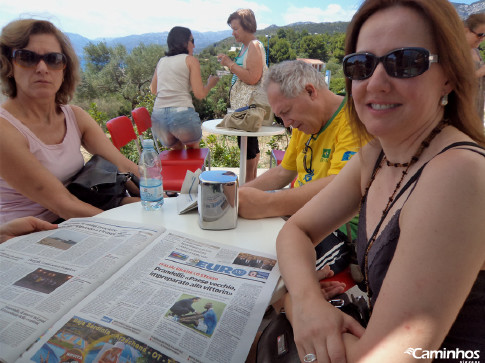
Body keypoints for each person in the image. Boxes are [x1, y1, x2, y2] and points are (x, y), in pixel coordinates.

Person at [276, 0, 485, 362]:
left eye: (404, 62)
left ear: (449, 75)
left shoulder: (458, 174)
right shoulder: (377, 156)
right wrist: (310, 301)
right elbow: (295, 231)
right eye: (361, 65)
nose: (375, 82)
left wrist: (293, 307)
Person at [0, 19, 140, 225]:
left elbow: (121, 164)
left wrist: (160, 193)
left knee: (146, 207)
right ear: (9, 65)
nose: (42, 68)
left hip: (77, 209)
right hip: (31, 232)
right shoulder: (5, 129)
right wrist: (130, 228)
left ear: (64, 68)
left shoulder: (74, 115)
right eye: (27, 58)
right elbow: (62, 204)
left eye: (53, 59)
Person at [239, 60, 361, 273]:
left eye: (286, 111)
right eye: (281, 116)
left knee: (275, 274)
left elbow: (340, 187)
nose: (286, 123)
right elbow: (284, 171)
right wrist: (239, 193)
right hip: (300, 218)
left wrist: (268, 203)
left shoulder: (353, 119)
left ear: (310, 91)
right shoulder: (303, 123)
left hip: (338, 226)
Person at [150, 26, 219, 150]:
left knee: (177, 154)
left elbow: (153, 90)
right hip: (181, 115)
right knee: (193, 152)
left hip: (158, 118)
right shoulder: (190, 60)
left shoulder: (161, 61)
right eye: (192, 41)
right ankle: (196, 170)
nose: (194, 45)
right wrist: (210, 84)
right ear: (184, 42)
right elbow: (200, 94)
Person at [217, 9, 266, 182]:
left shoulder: (253, 45)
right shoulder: (247, 46)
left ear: (247, 27)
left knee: (247, 146)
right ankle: (251, 183)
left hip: (248, 106)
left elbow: (253, 77)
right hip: (244, 106)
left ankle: (248, 185)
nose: (233, 32)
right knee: (250, 145)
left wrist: (230, 64)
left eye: (236, 28)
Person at [464, 13, 485, 121]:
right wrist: (479, 72)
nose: (482, 39)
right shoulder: (455, 53)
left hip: (477, 110)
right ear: (466, 30)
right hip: (462, 114)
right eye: (480, 34)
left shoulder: (476, 52)